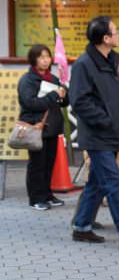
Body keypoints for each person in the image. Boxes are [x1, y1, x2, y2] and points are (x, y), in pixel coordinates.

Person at [69, 16, 119, 249]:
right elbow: (79, 101)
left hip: (112, 132)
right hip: (97, 134)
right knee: (115, 182)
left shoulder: (110, 61)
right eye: (115, 32)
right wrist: (106, 121)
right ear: (105, 38)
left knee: (96, 183)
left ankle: (81, 228)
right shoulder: (84, 64)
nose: (118, 35)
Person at [17, 44, 68, 211]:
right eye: (41, 57)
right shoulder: (27, 80)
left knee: (48, 163)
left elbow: (62, 103)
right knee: (37, 165)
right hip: (35, 127)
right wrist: (54, 95)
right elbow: (30, 103)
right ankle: (35, 198)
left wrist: (64, 94)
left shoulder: (53, 78)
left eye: (47, 57)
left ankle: (47, 194)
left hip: (52, 127)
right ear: (34, 60)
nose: (45, 60)